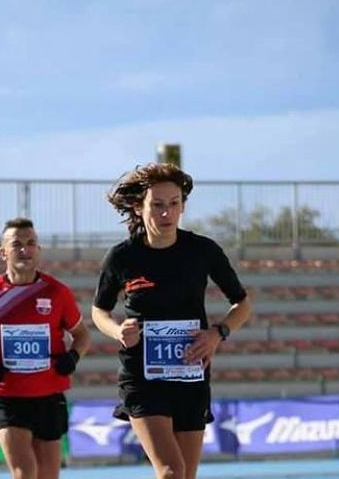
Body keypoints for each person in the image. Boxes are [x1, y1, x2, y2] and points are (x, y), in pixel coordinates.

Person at [91, 163, 252, 479]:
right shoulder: (121, 257)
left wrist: (217, 333)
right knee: (170, 471)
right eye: (157, 205)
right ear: (139, 207)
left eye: (174, 204)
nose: (166, 213)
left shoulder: (203, 251)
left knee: (185, 475)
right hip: (142, 376)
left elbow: (242, 304)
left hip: (190, 373)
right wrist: (118, 331)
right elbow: (99, 311)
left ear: (183, 206)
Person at [0, 217, 90, 479]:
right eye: (17, 244)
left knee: (48, 474)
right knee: (24, 471)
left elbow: (82, 334)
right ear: (3, 252)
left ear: (39, 250)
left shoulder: (57, 292)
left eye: (31, 243)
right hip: (7, 396)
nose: (25, 249)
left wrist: (73, 357)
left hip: (49, 395)